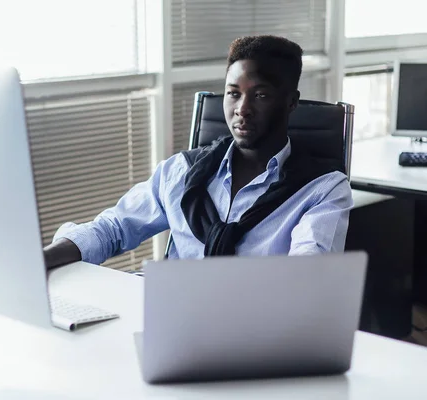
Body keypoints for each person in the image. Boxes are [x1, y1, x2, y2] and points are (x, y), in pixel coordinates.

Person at [44, 35, 353, 269]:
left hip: (259, 328)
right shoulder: (181, 171)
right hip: (171, 315)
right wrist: (43, 260)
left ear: (291, 102)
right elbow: (113, 229)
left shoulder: (323, 189)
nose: (241, 110)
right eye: (233, 94)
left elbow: (309, 271)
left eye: (260, 95)